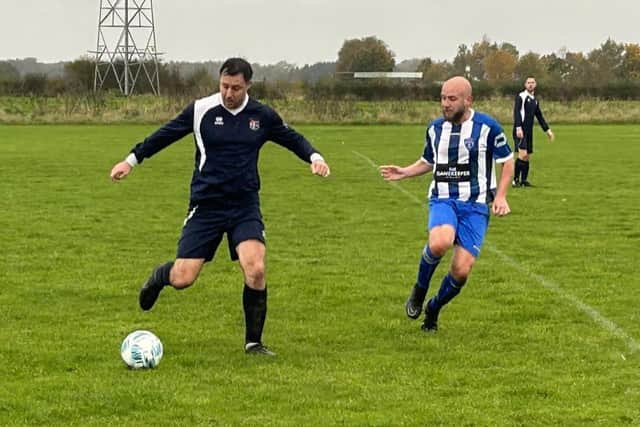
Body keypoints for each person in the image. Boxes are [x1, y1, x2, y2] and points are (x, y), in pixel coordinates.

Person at [110, 58, 330, 356]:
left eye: (236, 88)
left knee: (256, 268)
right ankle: (160, 277)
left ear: (248, 86)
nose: (229, 93)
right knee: (184, 278)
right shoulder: (201, 110)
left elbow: (292, 138)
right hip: (206, 205)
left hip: (244, 205)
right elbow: (165, 134)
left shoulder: (261, 116)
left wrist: (315, 157)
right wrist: (130, 160)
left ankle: (254, 343)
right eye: (225, 86)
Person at [379, 76, 514, 332]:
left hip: (475, 206)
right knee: (440, 241)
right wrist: (405, 172)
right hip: (443, 198)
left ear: (468, 100)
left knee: (461, 270)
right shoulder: (435, 129)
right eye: (442, 98)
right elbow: (429, 161)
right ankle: (419, 290)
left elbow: (507, 160)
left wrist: (501, 196)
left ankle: (433, 309)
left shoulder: (487, 127)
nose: (446, 104)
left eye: (452, 99)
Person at [512, 76, 555, 187]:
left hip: (529, 131)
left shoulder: (535, 100)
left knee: (527, 156)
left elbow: (539, 116)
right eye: (528, 82)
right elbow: (516, 112)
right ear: (525, 85)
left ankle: (524, 180)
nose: (530, 84)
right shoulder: (521, 96)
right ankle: (515, 180)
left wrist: (548, 130)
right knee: (522, 154)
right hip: (520, 130)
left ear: (535, 84)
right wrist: (518, 127)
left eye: (532, 82)